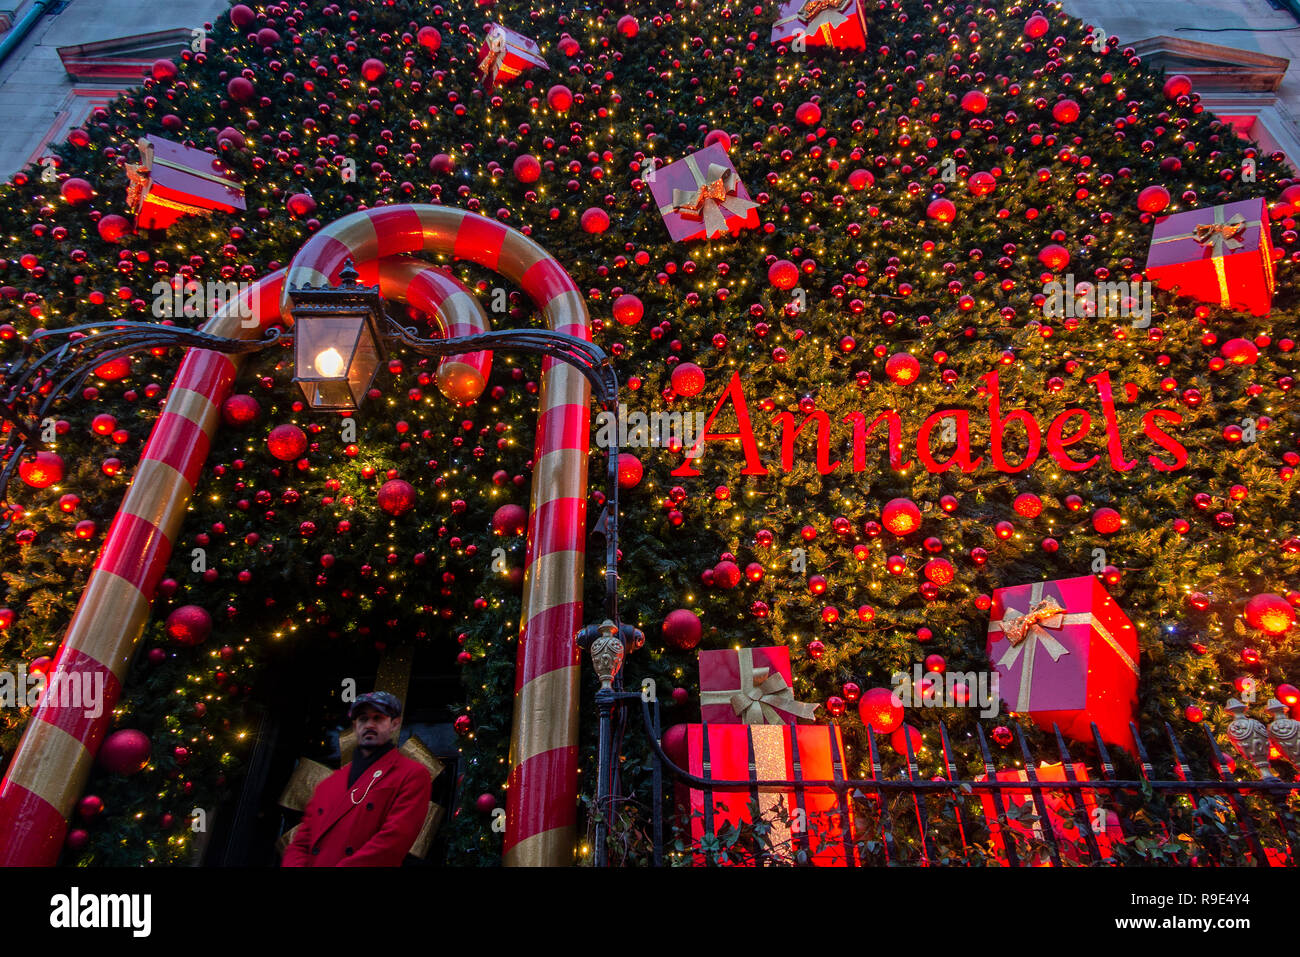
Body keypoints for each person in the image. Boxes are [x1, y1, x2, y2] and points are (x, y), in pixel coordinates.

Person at [282, 691, 432, 866]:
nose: (369, 725)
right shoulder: (329, 784)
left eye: (378, 718)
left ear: (394, 724)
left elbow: (393, 841)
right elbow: (300, 843)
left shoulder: (411, 775)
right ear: (354, 725)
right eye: (363, 718)